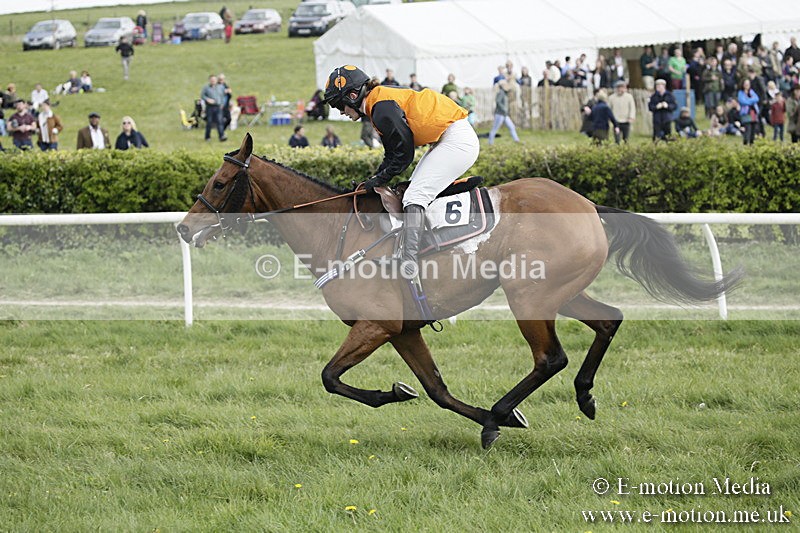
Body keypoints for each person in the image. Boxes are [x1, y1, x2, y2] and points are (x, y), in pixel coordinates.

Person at [322, 64, 478, 275]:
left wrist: (376, 181)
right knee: (409, 191)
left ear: (352, 96)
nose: (341, 112)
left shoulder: (381, 108)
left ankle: (410, 261)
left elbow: (404, 156)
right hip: (448, 138)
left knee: (414, 196)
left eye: (340, 105)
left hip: (456, 140)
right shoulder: (378, 103)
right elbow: (392, 154)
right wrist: (375, 178)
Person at [488, 77, 520, 145]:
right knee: (495, 129)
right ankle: (490, 143)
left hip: (504, 114)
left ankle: (516, 140)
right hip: (499, 114)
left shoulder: (505, 93)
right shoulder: (501, 93)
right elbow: (498, 101)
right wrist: (504, 109)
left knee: (511, 126)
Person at [200, 74, 227, 142]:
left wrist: (222, 104)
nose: (213, 81)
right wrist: (207, 99)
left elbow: (224, 96)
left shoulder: (221, 87)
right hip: (210, 107)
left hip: (218, 107)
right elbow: (202, 96)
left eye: (214, 80)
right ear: (210, 80)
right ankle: (207, 137)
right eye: (211, 80)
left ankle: (222, 136)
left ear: (216, 80)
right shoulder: (206, 88)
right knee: (209, 122)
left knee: (220, 121)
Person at [738, 78, 760, 145]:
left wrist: (748, 100)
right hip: (746, 113)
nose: (747, 85)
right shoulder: (740, 93)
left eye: (748, 84)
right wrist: (751, 101)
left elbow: (757, 99)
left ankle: (751, 143)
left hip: (753, 112)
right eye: (746, 84)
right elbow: (743, 101)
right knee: (748, 129)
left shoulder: (751, 91)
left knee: (753, 129)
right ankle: (745, 142)